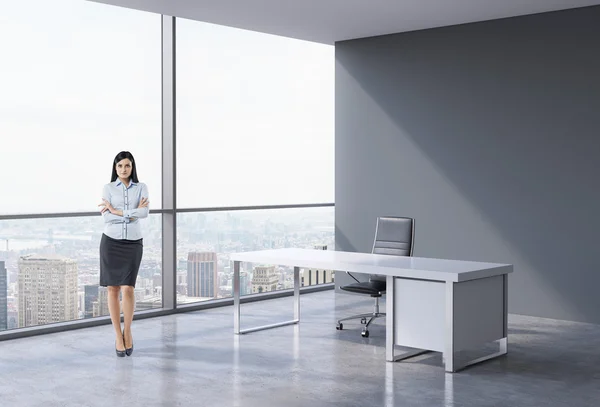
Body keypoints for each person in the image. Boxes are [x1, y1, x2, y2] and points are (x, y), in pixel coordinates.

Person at [98, 151, 149, 357]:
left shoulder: (141, 187)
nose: (123, 170)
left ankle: (128, 331)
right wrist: (130, 215)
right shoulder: (108, 188)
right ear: (115, 168)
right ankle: (118, 336)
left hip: (133, 244)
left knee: (128, 288)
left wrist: (118, 212)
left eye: (127, 166)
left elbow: (144, 213)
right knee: (113, 289)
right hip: (111, 242)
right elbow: (106, 218)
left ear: (132, 167)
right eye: (119, 166)